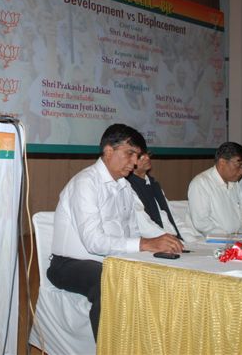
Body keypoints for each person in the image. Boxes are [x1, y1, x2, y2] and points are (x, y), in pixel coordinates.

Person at [47, 124, 183, 341]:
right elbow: (94, 242)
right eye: (129, 154)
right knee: (107, 280)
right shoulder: (86, 183)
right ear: (108, 151)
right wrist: (146, 244)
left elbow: (132, 232)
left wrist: (153, 249)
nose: (135, 162)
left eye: (137, 155)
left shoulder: (125, 186)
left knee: (161, 272)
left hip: (112, 260)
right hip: (69, 265)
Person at [187, 142, 242, 235]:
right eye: (239, 165)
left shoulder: (234, 183)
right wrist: (227, 237)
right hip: (209, 242)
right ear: (222, 162)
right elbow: (201, 223)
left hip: (235, 239)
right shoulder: (201, 183)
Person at [127, 151, 183, 240]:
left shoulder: (153, 184)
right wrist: (170, 239)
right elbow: (144, 226)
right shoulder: (127, 186)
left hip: (170, 238)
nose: (147, 158)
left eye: (148, 154)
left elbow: (171, 216)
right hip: (155, 241)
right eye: (140, 156)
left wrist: (190, 240)